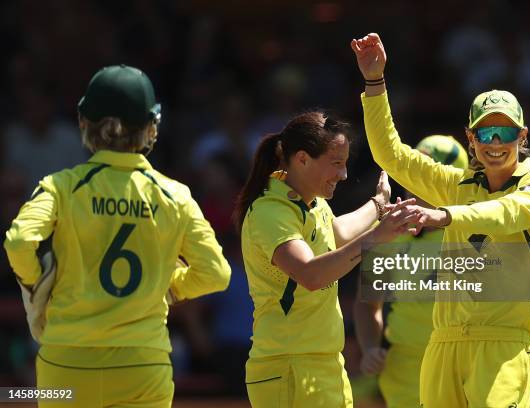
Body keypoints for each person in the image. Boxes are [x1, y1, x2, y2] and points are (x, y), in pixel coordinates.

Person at [4, 65, 232, 408]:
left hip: (67, 365)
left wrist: (39, 283)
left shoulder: (61, 186)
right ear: (151, 127)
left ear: (84, 122)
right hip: (142, 367)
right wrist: (169, 285)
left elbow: (19, 243)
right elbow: (216, 274)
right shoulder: (175, 196)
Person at [351, 33, 530, 408]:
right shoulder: (459, 185)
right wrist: (375, 83)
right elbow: (392, 155)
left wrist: (444, 215)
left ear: (523, 136)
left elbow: (504, 213)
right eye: (485, 132)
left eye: (506, 132)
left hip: (502, 347)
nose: (495, 142)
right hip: (442, 344)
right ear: (470, 137)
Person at [234, 111, 416, 408]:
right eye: (336, 164)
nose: (343, 175)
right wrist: (377, 237)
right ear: (302, 159)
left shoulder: (312, 202)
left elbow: (337, 234)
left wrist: (380, 206)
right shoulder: (271, 211)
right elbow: (311, 275)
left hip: (325, 364)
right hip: (289, 367)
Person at [353, 135, 468, 408]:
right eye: (411, 171)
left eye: (425, 173)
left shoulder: (476, 235)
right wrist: (370, 348)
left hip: (464, 365)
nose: (413, 180)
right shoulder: (387, 234)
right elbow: (367, 305)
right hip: (405, 371)